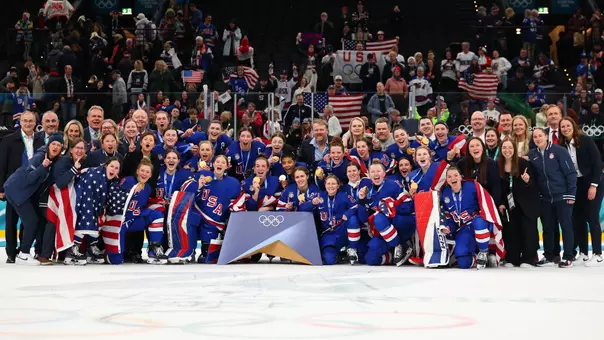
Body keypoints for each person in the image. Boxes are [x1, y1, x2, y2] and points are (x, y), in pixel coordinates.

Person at [3, 134, 64, 265]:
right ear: (48, 145)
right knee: (31, 221)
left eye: (59, 145)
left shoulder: (53, 161)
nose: (55, 147)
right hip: (16, 190)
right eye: (53, 144)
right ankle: (23, 254)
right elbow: (30, 178)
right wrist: (42, 166)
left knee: (31, 220)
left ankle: (23, 252)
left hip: (22, 192)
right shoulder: (40, 157)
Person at [526, 128, 577, 268]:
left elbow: (571, 173)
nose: (538, 138)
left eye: (540, 135)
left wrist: (571, 194)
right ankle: (548, 255)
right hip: (545, 198)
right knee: (547, 227)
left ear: (546, 136)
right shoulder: (532, 154)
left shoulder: (559, 151)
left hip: (562, 196)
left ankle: (568, 256)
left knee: (566, 226)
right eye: (535, 137)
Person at [0, 111, 44, 263]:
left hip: (32, 186)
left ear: (35, 122)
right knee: (11, 221)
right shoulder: (8, 140)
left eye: (31, 121)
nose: (28, 123)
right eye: (25, 120)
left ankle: (22, 251)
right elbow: (1, 165)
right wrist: (1, 189)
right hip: (14, 186)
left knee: (28, 220)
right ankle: (11, 253)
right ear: (20, 122)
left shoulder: (40, 140)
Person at [558, 118, 603, 266]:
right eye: (562, 127)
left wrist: (593, 185)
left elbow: (597, 163)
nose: (565, 128)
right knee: (578, 219)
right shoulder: (561, 146)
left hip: (592, 183)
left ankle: (597, 253)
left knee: (592, 217)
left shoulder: (586, 140)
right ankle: (583, 252)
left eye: (568, 125)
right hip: (575, 185)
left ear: (573, 126)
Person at [107, 158, 168, 265]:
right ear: (137, 171)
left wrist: (157, 203)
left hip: (135, 220)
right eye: (142, 171)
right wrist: (131, 192)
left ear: (150, 175)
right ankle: (110, 252)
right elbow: (115, 196)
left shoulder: (148, 188)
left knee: (158, 215)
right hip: (122, 221)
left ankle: (154, 250)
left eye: (147, 172)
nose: (144, 174)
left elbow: (142, 204)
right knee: (116, 260)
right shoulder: (129, 181)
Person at [439, 167, 501, 269]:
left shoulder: (471, 186)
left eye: (455, 175)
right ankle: (480, 259)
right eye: (449, 176)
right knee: (463, 263)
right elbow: (449, 217)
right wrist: (449, 228)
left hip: (477, 222)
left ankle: (483, 252)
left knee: (479, 222)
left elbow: (485, 201)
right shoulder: (445, 193)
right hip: (463, 229)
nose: (452, 178)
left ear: (460, 177)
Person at [356, 161, 415, 266]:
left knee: (379, 218)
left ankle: (402, 244)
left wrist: (391, 208)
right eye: (372, 172)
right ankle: (395, 252)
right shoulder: (368, 191)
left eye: (378, 171)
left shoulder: (393, 185)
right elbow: (363, 218)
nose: (375, 174)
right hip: (384, 231)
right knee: (370, 259)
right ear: (369, 175)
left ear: (384, 174)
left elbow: (408, 206)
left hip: (401, 223)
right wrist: (361, 200)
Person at [191, 155, 246, 264]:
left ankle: (207, 248)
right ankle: (190, 250)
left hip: (216, 222)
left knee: (208, 257)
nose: (220, 164)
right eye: (217, 162)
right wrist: (198, 187)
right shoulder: (202, 176)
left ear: (227, 166)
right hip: (198, 216)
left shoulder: (233, 183)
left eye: (223, 163)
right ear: (213, 164)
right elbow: (188, 194)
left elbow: (238, 201)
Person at [497, 139, 540, 267]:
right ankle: (512, 258)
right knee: (511, 230)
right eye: (504, 148)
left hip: (526, 202)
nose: (507, 150)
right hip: (510, 204)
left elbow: (533, 183)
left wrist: (527, 180)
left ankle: (529, 258)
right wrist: (501, 202)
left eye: (510, 147)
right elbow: (500, 187)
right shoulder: (498, 165)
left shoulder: (523, 163)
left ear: (514, 149)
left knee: (528, 230)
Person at [70, 158, 121, 265]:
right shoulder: (95, 175)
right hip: (81, 198)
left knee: (98, 219)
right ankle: (73, 250)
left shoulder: (109, 180)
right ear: (106, 166)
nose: (114, 169)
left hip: (93, 203)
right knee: (87, 217)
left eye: (117, 168)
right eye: (112, 166)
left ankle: (92, 247)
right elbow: (87, 194)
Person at [313, 175, 359, 265]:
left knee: (353, 219)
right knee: (329, 260)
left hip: (342, 232)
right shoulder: (319, 196)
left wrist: (347, 214)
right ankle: (340, 255)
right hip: (328, 235)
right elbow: (303, 207)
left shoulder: (344, 196)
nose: (331, 186)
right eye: (328, 184)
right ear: (325, 185)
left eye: (333, 184)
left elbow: (356, 206)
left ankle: (352, 247)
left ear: (338, 185)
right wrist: (312, 203)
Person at [455, 137, 501, 206]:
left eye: (477, 145)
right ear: (468, 150)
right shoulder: (462, 163)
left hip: (487, 202)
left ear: (482, 148)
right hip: (468, 202)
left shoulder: (491, 164)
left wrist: (492, 205)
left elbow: (496, 187)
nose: (475, 148)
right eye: (472, 146)